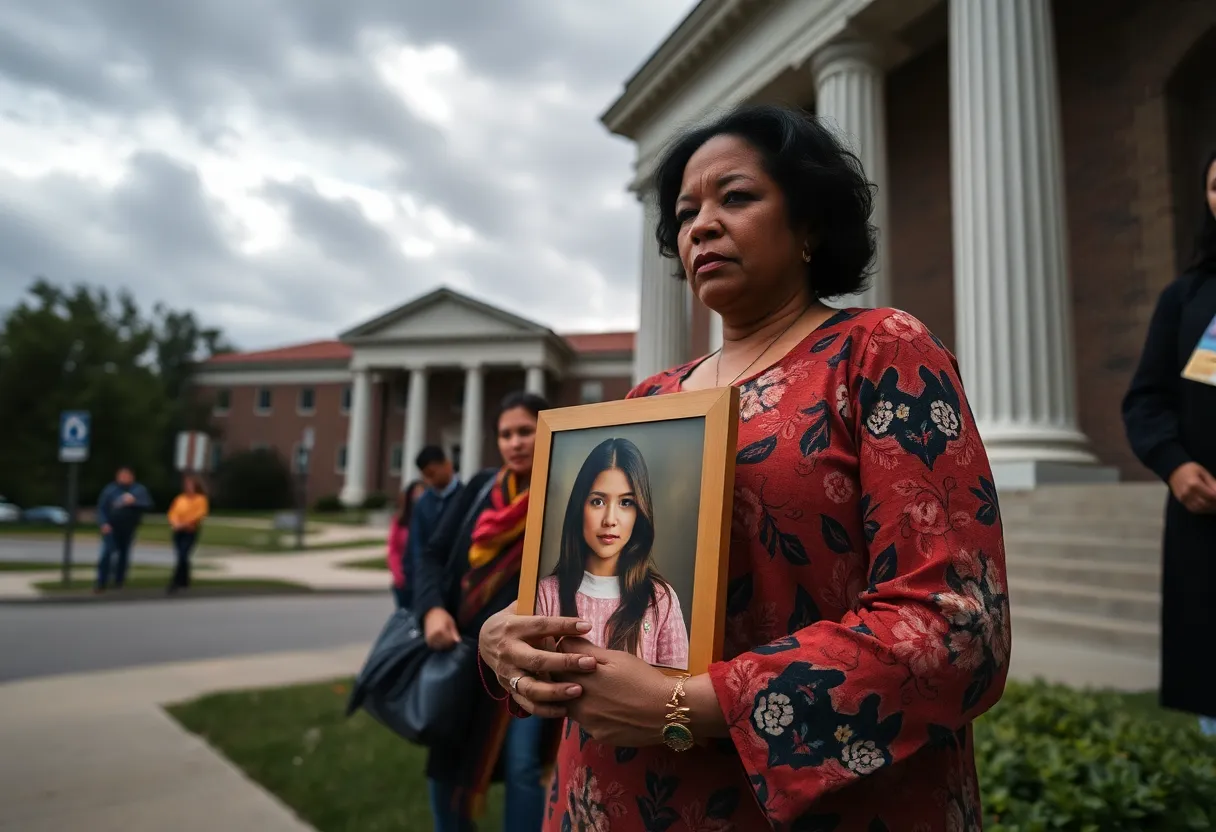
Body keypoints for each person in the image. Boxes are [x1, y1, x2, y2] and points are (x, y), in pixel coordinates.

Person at [478, 103, 1011, 830]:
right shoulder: (648, 400)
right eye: (685, 212)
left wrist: (681, 708)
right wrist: (508, 635)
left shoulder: (878, 351)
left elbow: (957, 626)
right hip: (605, 801)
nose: (700, 225)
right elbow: (576, 583)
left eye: (735, 197)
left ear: (810, 224)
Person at [413, 391, 557, 832]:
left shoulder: (564, 493)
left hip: (530, 661)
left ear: (546, 430)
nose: (515, 442)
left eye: (525, 431)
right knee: (449, 762)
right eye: (506, 434)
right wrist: (433, 610)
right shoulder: (479, 490)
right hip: (464, 655)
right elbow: (433, 554)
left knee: (522, 767)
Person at [1122, 149, 1216, 737]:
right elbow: (1147, 400)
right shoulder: (1188, 299)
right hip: (1206, 521)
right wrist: (1176, 465)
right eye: (1214, 186)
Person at [535, 436, 689, 670]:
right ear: (579, 507)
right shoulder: (547, 595)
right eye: (597, 502)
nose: (609, 520)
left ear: (640, 512)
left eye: (626, 503)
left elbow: (679, 694)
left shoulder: (660, 600)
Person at [407, 444, 461, 607]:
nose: (429, 480)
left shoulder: (466, 498)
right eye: (425, 476)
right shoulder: (423, 504)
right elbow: (416, 546)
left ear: (447, 465)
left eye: (432, 473)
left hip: (458, 584)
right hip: (430, 583)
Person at [95, 465, 154, 592]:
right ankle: (101, 582)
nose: (124, 478)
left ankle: (119, 581)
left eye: (127, 476)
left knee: (123, 555)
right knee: (107, 553)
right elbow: (102, 508)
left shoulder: (138, 490)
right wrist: (104, 523)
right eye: (122, 475)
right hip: (111, 527)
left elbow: (147, 504)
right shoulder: (110, 490)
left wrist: (134, 501)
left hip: (128, 528)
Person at [165, 474, 209, 594]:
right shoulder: (180, 499)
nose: (188, 487)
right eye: (186, 485)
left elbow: (200, 514)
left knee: (183, 554)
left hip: (190, 530)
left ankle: (175, 582)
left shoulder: (200, 499)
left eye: (190, 485)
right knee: (181, 555)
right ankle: (185, 580)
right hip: (178, 530)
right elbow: (172, 512)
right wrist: (175, 523)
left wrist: (185, 523)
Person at [387, 479, 426, 609]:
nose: (418, 498)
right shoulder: (400, 521)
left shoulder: (430, 521)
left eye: (421, 493)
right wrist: (398, 576)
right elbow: (393, 550)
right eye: (415, 494)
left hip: (424, 582)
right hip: (404, 582)